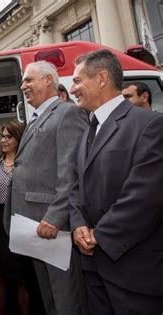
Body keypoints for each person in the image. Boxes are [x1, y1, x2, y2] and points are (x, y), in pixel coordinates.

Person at [69, 49, 163, 314]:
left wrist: (99, 235)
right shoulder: (88, 130)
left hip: (134, 271)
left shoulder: (149, 125)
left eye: (77, 81)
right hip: (93, 268)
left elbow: (145, 197)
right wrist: (78, 226)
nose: (73, 88)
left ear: (101, 78)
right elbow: (77, 187)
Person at [9, 61, 88, 315]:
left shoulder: (67, 113)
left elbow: (70, 172)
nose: (24, 86)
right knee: (49, 300)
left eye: (29, 80)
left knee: (66, 300)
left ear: (48, 80)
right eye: (23, 82)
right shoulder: (34, 119)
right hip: (33, 226)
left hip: (52, 227)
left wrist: (55, 216)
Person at [0, 121, 32, 315]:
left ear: (18, 140)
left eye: (8, 137)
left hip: (21, 218)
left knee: (22, 277)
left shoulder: (27, 163)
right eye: (2, 136)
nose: (3, 140)